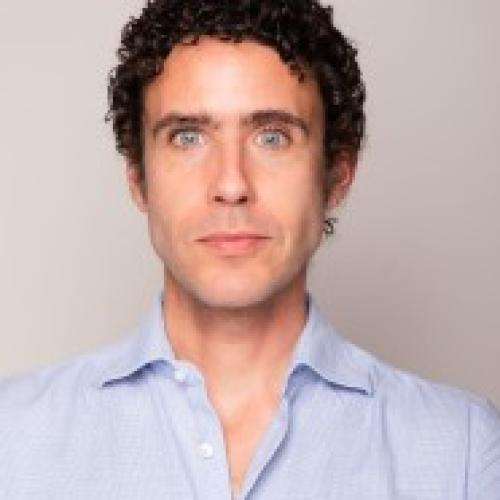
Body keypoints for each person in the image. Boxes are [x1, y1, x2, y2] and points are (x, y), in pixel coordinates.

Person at [1, 0, 499, 498]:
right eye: (188, 136)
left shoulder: (462, 453)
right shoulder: (13, 438)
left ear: (335, 176)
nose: (232, 184)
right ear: (138, 179)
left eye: (272, 137)